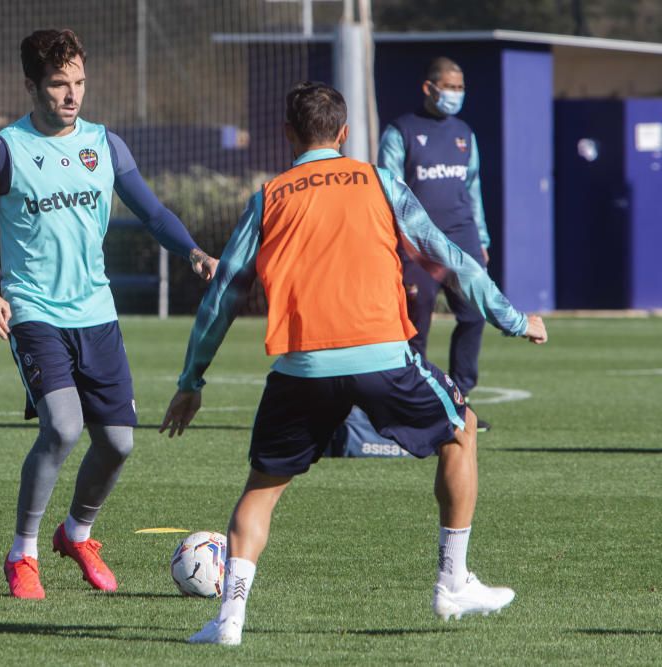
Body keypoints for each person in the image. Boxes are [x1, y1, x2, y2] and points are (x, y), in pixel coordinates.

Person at [161, 82, 547, 646]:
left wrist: (191, 381)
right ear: (343, 133)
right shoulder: (379, 182)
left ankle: (229, 622)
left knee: (261, 490)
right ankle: (452, 581)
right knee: (461, 430)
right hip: (382, 357)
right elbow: (451, 258)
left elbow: (223, 294)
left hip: (302, 368)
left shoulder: (270, 196)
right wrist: (513, 318)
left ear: (288, 135)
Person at [0, 28, 218, 600]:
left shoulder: (105, 144)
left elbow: (151, 211)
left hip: (96, 313)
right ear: (31, 85)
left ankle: (76, 533)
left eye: (79, 82)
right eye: (59, 84)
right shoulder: (4, 149)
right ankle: (22, 553)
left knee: (120, 443)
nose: (71, 95)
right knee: (61, 426)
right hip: (34, 311)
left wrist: (194, 252)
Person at [379, 57, 494, 431]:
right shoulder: (401, 131)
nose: (455, 95)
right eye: (449, 87)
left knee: (475, 314)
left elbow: (472, 188)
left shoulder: (464, 133)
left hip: (463, 238)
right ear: (429, 88)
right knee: (417, 319)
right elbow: (389, 191)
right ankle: (413, 401)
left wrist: (482, 239)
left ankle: (460, 400)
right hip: (417, 245)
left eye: (460, 88)